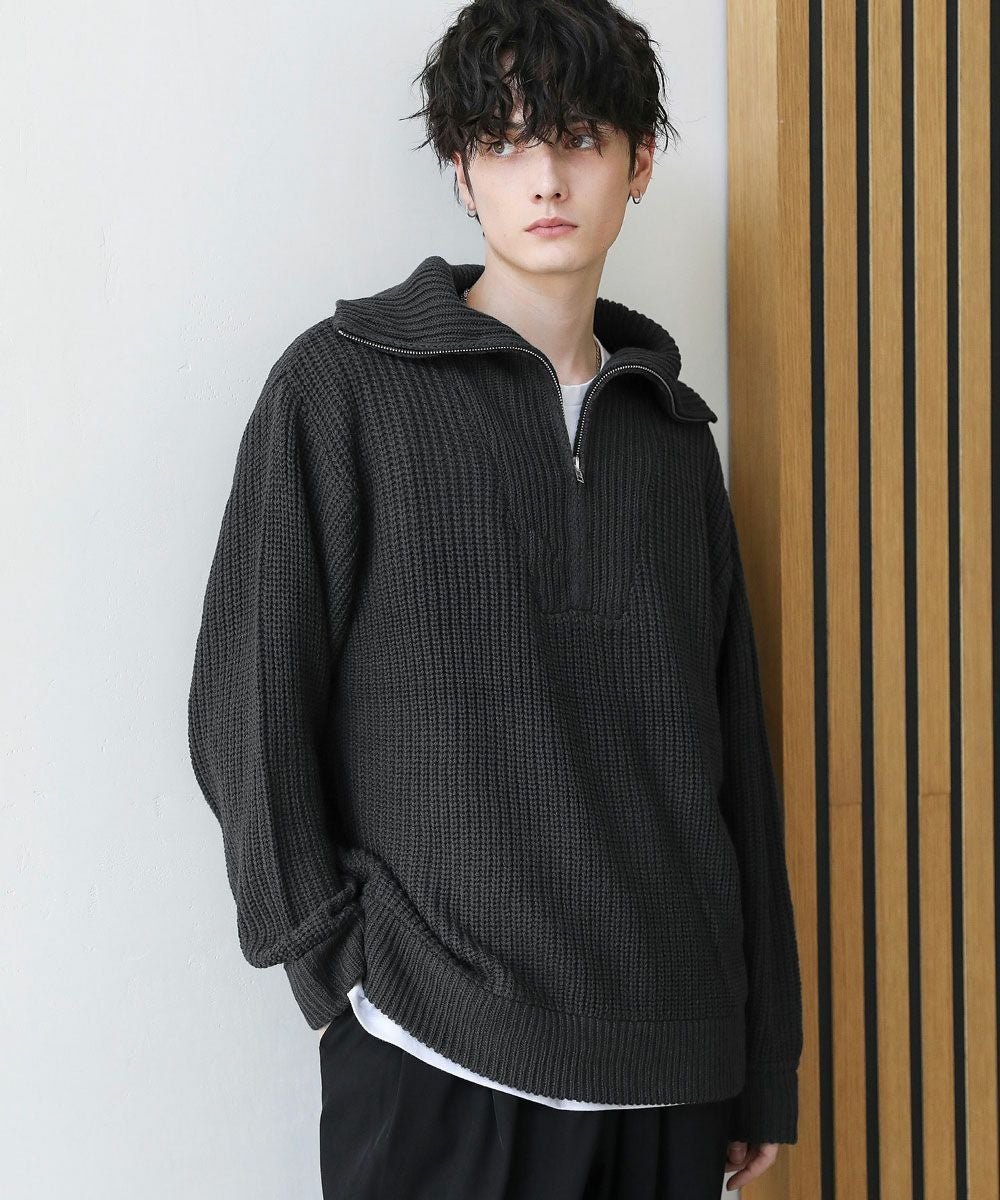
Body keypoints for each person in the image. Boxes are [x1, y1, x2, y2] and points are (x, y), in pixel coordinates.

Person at [186, 1, 803, 1196]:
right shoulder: (342, 391)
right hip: (435, 1053)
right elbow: (244, 709)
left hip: (673, 1065)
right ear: (463, 174)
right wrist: (339, 971)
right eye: (505, 142)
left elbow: (735, 764)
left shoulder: (673, 439)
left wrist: (760, 1063)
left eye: (578, 138)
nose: (546, 177)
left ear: (639, 162)